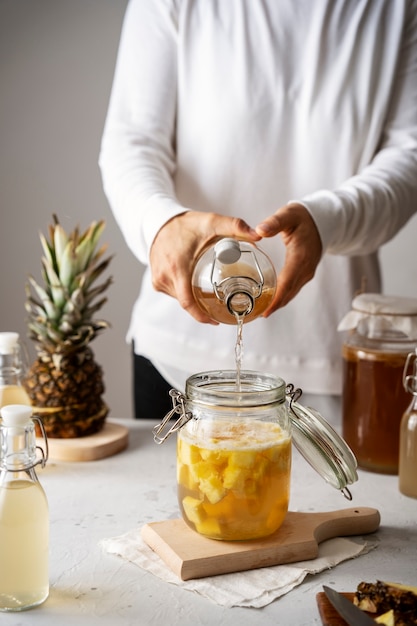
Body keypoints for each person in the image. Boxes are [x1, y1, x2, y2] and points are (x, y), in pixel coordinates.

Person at [99, 0, 417, 419]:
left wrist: (328, 220)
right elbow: (132, 139)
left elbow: (409, 155)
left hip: (328, 356)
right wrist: (162, 224)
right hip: (178, 358)